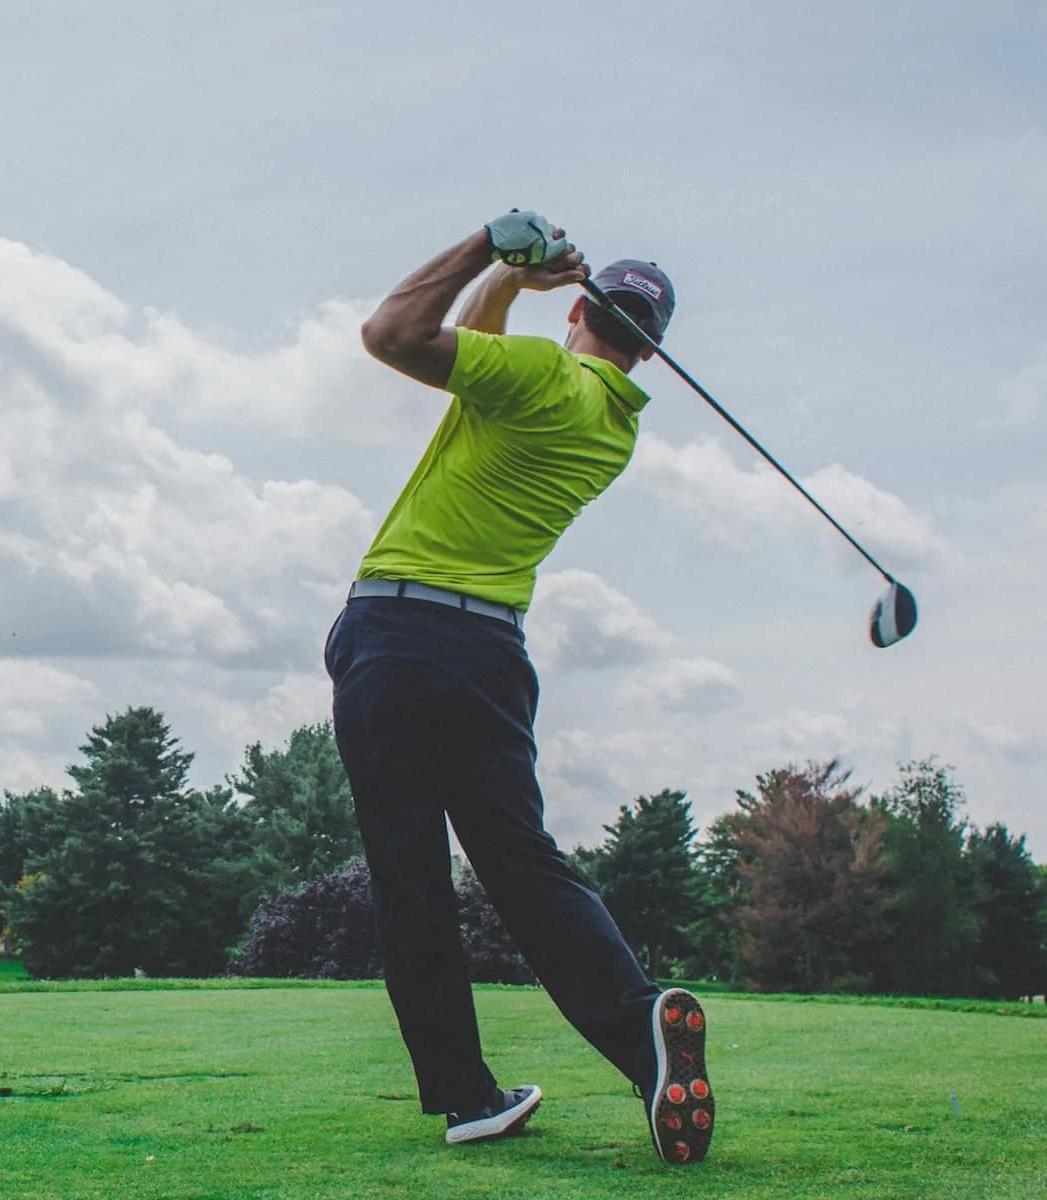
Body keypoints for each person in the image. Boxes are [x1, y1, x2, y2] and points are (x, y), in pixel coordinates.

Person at [325, 209, 715, 1163]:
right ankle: (639, 1036)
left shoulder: (541, 376)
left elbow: (393, 335)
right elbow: (481, 351)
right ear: (651, 357)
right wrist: (512, 284)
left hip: (399, 635)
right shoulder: (610, 422)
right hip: (492, 656)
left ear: (580, 309)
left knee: (412, 879)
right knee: (525, 865)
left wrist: (483, 247)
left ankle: (467, 1095)